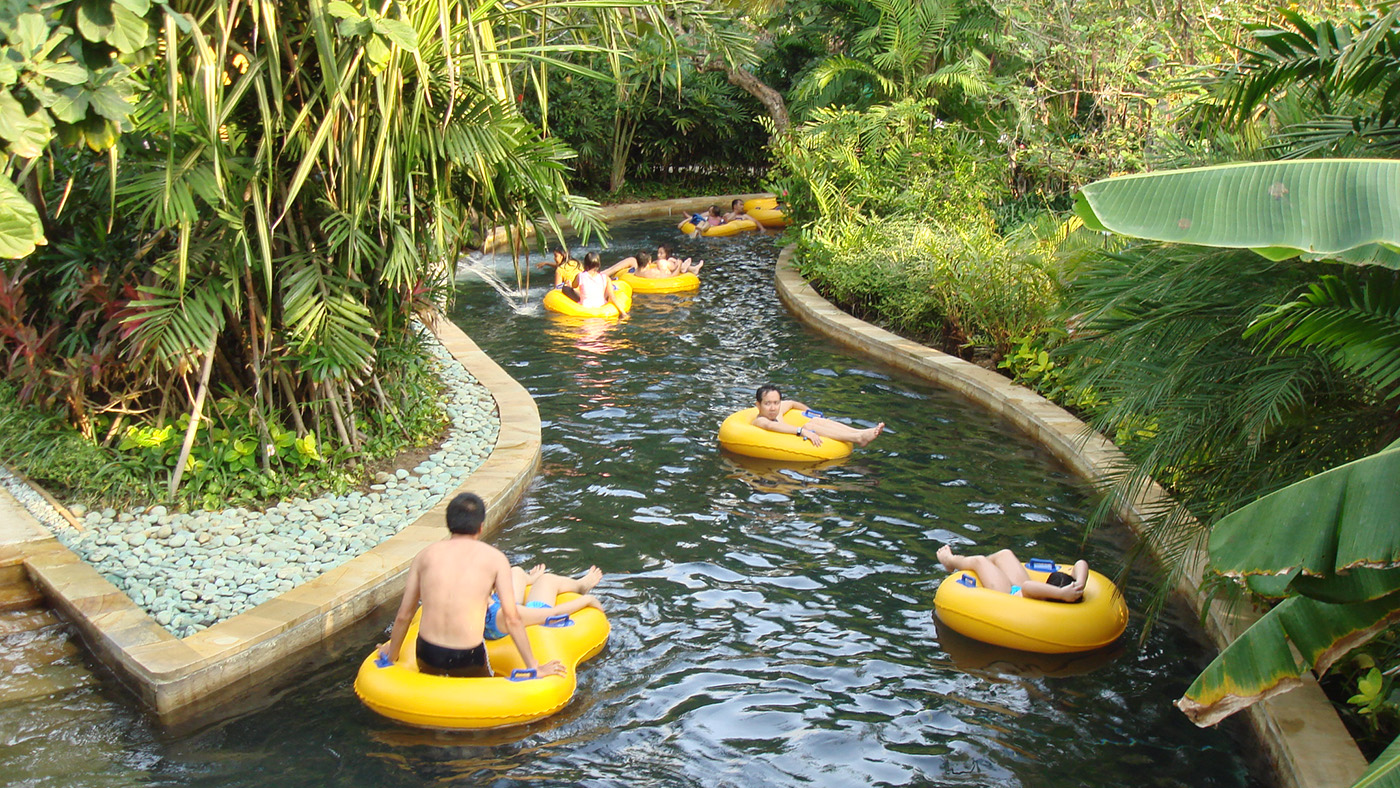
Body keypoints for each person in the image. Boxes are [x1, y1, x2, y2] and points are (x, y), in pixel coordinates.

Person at [378, 492, 566, 679]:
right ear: (481, 526)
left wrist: (392, 655)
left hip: (427, 655)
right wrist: (534, 667)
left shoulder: (424, 556)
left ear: (449, 524)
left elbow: (404, 615)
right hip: (467, 658)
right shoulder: (495, 559)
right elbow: (512, 618)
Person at [936, 545, 1088, 602]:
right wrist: (1080, 583)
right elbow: (1081, 563)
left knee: (979, 561)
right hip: (1018, 588)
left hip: (1007, 594)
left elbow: (1028, 586)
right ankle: (987, 569)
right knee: (1005, 554)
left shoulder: (1046, 597)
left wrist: (1061, 593)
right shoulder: (1075, 589)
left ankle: (950, 561)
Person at [750, 384, 884, 447]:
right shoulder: (761, 420)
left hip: (793, 436)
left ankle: (860, 433)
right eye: (767, 403)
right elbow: (770, 426)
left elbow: (791, 403)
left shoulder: (776, 411)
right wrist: (802, 431)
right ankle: (857, 437)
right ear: (758, 405)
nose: (773, 407)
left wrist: (812, 413)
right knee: (809, 426)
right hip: (783, 444)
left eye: (776, 402)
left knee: (814, 421)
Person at [489, 563, 605, 633]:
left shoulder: (476, 603)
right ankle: (581, 586)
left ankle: (530, 579)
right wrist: (587, 600)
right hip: (503, 621)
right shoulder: (505, 615)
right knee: (547, 579)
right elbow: (552, 614)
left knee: (516, 572)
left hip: (495, 610)